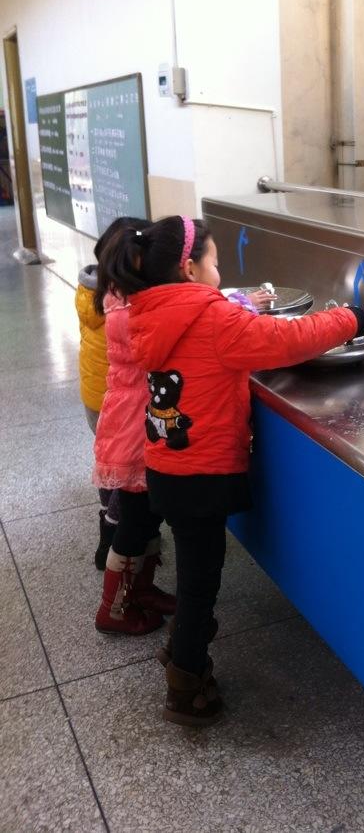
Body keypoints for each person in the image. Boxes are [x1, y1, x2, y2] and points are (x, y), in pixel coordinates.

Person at [96, 215, 364, 726]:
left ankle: (182, 647)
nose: (220, 274)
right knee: (201, 583)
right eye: (216, 263)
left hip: (164, 466)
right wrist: (350, 320)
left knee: (195, 569)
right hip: (204, 474)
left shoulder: (147, 311)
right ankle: (186, 681)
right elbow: (283, 341)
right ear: (190, 267)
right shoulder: (212, 318)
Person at [92, 221, 178, 636]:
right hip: (133, 430)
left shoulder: (120, 299)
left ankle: (140, 589)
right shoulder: (130, 313)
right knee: (134, 523)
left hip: (136, 423)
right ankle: (113, 608)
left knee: (145, 519)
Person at [75, 217, 149, 569]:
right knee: (126, 483)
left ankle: (109, 525)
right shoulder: (125, 305)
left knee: (111, 469)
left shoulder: (95, 291)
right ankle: (114, 541)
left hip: (97, 398)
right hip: (120, 403)